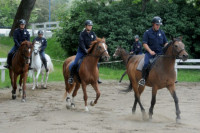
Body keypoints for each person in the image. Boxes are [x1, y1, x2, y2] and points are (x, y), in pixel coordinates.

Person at [68, 20, 102, 84]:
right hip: (81, 51)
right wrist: (85, 50)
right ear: (86, 26)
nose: (90, 27)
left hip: (90, 53)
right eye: (89, 26)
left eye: (91, 26)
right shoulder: (82, 34)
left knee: (97, 63)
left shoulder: (93, 34)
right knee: (75, 63)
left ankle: (97, 77)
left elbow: (96, 42)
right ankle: (71, 77)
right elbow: (81, 43)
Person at [138, 16, 168, 86]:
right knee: (145, 64)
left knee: (168, 63)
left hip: (160, 53)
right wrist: (150, 51)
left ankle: (169, 78)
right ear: (153, 24)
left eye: (159, 25)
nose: (158, 26)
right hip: (150, 53)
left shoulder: (162, 32)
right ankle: (143, 79)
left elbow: (165, 42)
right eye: (157, 24)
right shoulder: (147, 33)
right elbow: (144, 44)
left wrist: (167, 47)